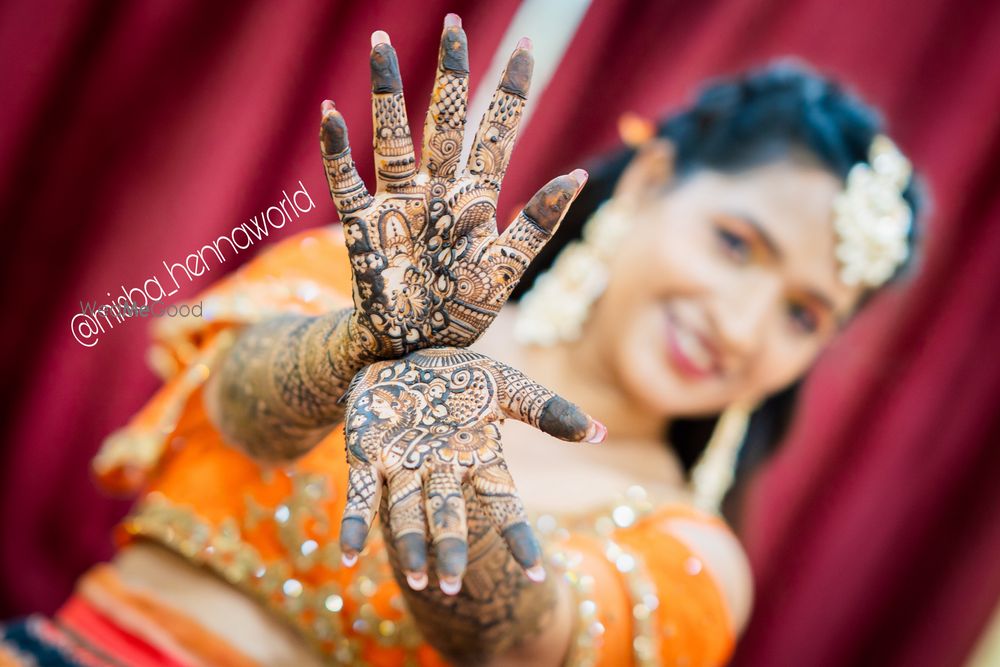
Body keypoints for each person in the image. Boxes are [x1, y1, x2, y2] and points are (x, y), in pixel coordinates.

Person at [0, 12, 922, 667]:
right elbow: (242, 407)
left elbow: (516, 638)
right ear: (648, 181)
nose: (740, 323)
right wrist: (365, 342)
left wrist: (442, 449)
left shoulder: (691, 555)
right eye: (734, 244)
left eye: (804, 315)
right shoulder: (374, 277)